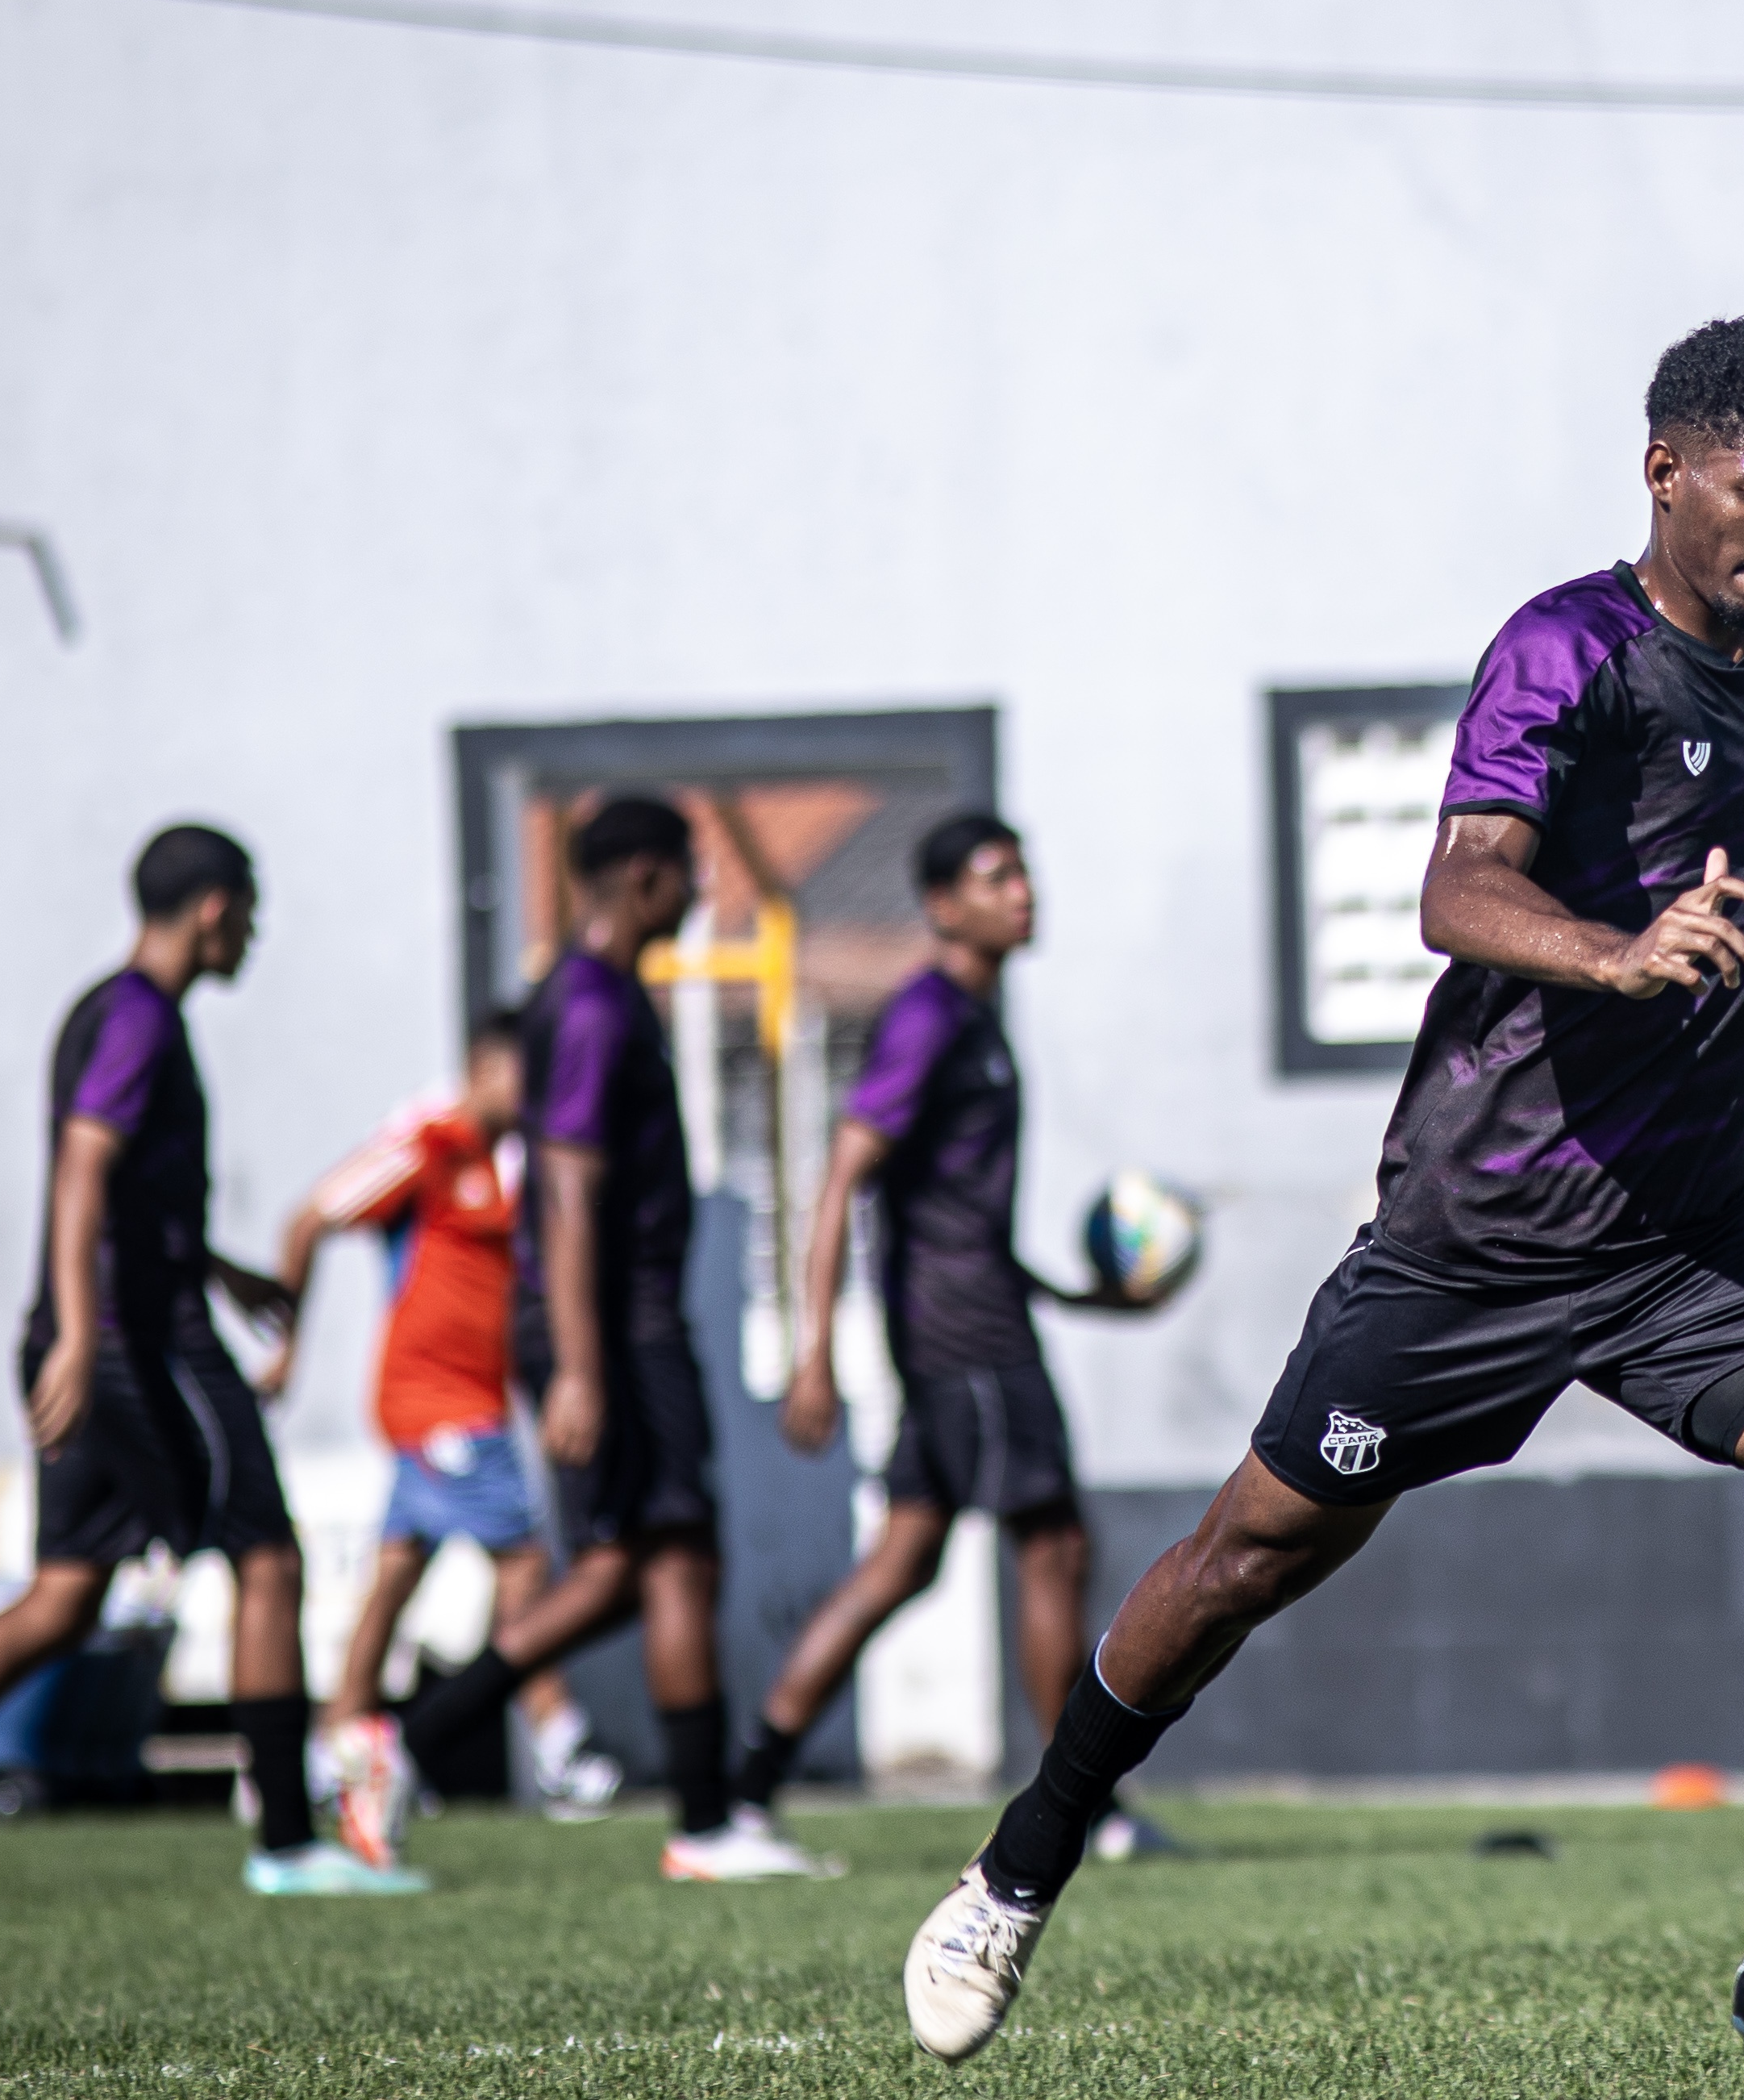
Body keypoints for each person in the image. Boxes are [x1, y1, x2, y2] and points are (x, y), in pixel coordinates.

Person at [900, 316, 1744, 2092]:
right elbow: (1457, 890)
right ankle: (1015, 1871)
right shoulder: (1563, 648)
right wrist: (1616, 955)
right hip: (1476, 1238)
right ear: (1667, 468)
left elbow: (1714, 909)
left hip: (1685, 1242)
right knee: (1251, 1558)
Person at [0, 827, 421, 1898]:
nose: (255, 933)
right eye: (250, 911)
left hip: (111, 1331)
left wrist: (221, 1270)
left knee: (63, 1601)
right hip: (138, 1348)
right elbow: (84, 1170)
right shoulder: (138, 1017)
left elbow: (129, 1201)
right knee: (267, 1558)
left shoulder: (111, 1010)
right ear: (214, 908)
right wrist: (83, 1335)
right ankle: (288, 1844)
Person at [384, 794, 830, 1881]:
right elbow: (570, 1196)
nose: (702, 893)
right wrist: (582, 1366)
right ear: (641, 879)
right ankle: (704, 1821)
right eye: (690, 871)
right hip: (614, 1331)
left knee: (639, 1566)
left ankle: (416, 1735)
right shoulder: (586, 1007)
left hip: (622, 1328)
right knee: (677, 1558)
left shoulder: (602, 997)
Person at [740, 813, 1172, 1855]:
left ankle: (740, 1790)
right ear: (942, 906)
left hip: (980, 1315)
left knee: (901, 1563)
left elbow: (958, 1211)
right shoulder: (928, 1017)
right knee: (1051, 1546)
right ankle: (1086, 1809)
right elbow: (845, 1173)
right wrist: (813, 1355)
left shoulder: (974, 1017)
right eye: (992, 876)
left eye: (1022, 870)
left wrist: (1073, 1296)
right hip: (964, 1337)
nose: (1021, 890)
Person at [256, 1011, 622, 1842]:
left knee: (396, 1574)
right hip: (439, 1402)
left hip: (468, 1401)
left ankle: (330, 1745)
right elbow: (309, 1219)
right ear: (486, 1069)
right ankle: (558, 1735)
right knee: (524, 1561)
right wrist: (286, 1350)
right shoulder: (429, 1141)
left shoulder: (513, 1161)